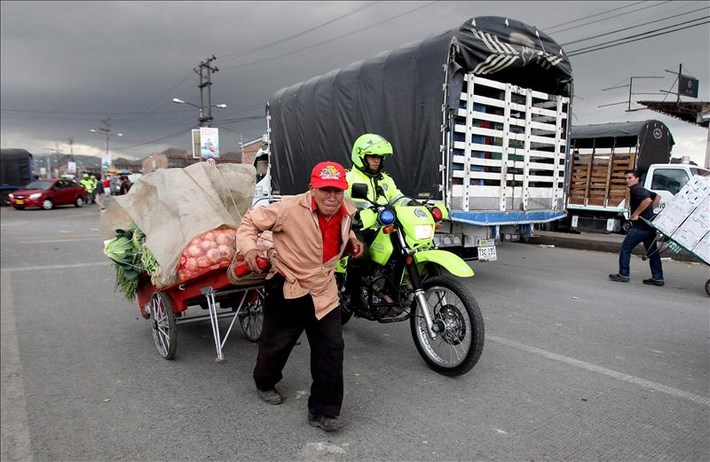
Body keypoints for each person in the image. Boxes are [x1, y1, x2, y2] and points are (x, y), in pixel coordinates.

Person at [236, 161, 365, 433]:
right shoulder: (288, 208)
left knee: (331, 348)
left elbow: (339, 229)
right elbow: (250, 222)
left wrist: (351, 240)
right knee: (277, 344)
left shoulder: (346, 211)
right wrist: (248, 248)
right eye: (325, 190)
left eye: (337, 191)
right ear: (312, 189)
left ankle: (324, 411)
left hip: (324, 289)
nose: (332, 197)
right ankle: (264, 381)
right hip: (288, 285)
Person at [609, 169, 664, 286]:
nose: (627, 180)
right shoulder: (642, 189)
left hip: (640, 227)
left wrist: (637, 213)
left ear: (637, 179)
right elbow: (657, 197)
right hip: (649, 227)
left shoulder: (636, 189)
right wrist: (650, 213)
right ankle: (658, 277)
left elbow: (647, 200)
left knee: (625, 248)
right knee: (652, 252)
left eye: (630, 178)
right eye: (626, 178)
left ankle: (623, 274)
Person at [345, 133, 411, 208]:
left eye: (379, 157)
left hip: (386, 219)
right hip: (358, 219)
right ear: (361, 157)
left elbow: (397, 199)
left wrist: (410, 203)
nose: (377, 161)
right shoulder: (347, 179)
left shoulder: (385, 179)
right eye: (373, 156)